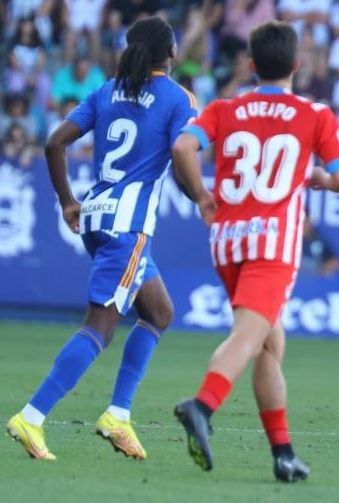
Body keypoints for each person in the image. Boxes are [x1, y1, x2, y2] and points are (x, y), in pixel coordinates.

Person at [170, 21, 339, 483]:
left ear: (251, 66)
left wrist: (201, 195)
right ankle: (203, 404)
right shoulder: (315, 114)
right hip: (272, 243)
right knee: (250, 337)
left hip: (226, 240)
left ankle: (283, 453)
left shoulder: (224, 108)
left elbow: (183, 147)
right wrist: (320, 178)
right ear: (297, 64)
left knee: (271, 342)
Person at [6, 16, 197, 461]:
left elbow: (55, 144)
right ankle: (32, 417)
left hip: (95, 218)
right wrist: (201, 195)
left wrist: (67, 202)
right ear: (170, 55)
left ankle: (118, 414)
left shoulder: (107, 90)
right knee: (99, 328)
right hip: (128, 228)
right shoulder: (176, 97)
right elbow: (183, 154)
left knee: (159, 311)